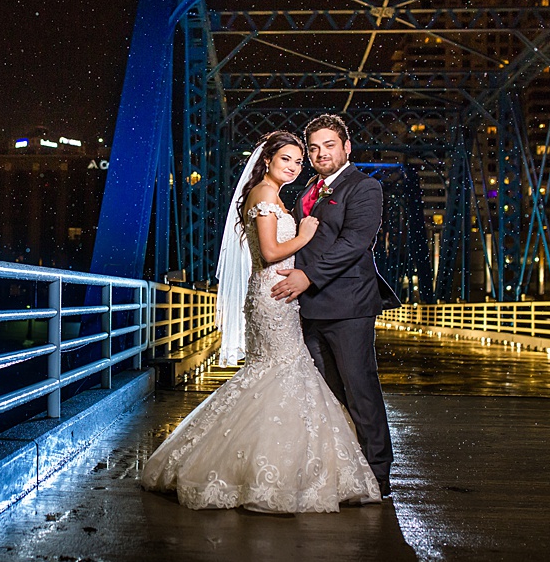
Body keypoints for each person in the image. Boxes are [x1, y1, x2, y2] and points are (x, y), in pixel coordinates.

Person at [141, 130, 381, 512]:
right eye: (287, 158)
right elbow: (271, 252)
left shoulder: (279, 196)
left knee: (278, 375)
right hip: (274, 294)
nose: (295, 165)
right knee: (281, 372)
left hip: (284, 297)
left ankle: (284, 464)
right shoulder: (266, 196)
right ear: (267, 160)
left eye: (299, 161)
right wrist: (303, 236)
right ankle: (268, 471)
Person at [270, 114, 400, 499]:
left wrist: (308, 277)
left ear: (346, 147)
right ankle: (344, 467)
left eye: (329, 145)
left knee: (360, 388)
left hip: (349, 305)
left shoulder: (365, 188)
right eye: (314, 147)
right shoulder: (311, 187)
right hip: (309, 308)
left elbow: (355, 242)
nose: (320, 153)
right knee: (329, 393)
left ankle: (378, 472)